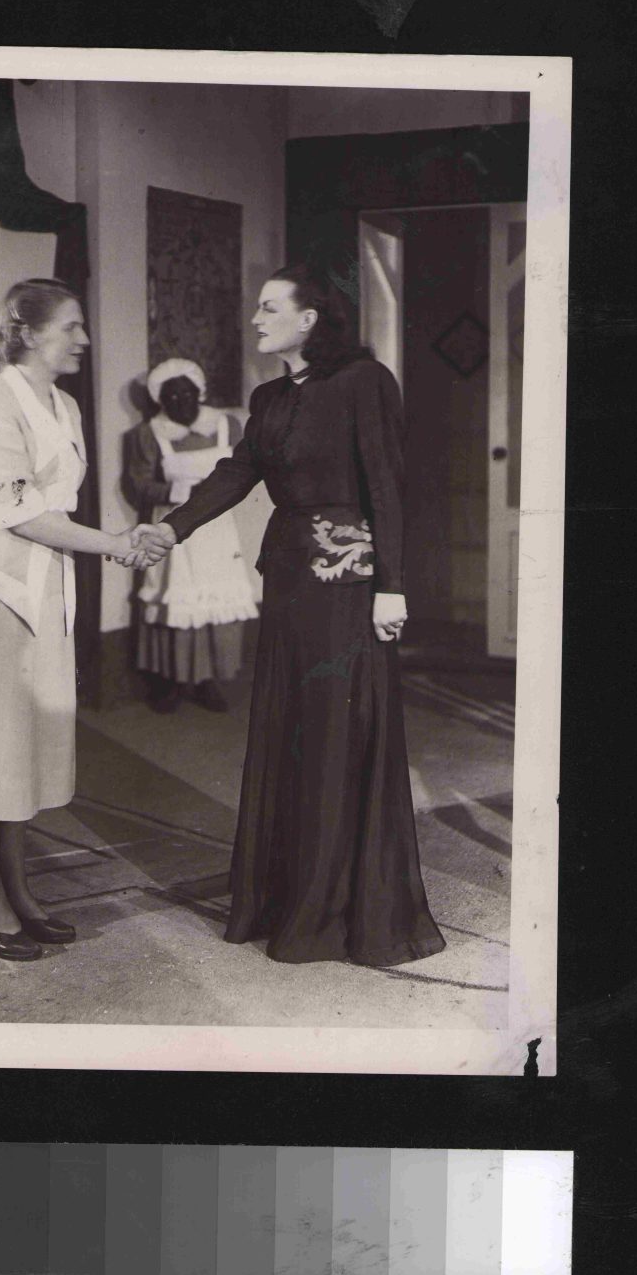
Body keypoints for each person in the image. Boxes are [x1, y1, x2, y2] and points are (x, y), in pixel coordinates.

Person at [134, 265, 446, 967]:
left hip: (346, 580)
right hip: (287, 579)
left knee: (338, 729)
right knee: (292, 728)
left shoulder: (365, 381)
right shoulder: (269, 396)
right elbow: (237, 471)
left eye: (269, 308)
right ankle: (289, 895)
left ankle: (335, 906)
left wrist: (392, 587)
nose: (256, 319)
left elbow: (387, 484)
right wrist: (171, 529)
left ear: (310, 319)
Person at [0, 278, 151, 962]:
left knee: (20, 747)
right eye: (71, 326)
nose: (84, 338)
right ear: (28, 333)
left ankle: (19, 893)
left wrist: (113, 541)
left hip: (43, 592)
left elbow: (57, 505)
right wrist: (115, 544)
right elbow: (19, 513)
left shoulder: (64, 405)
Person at [125, 357, 259, 713]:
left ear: (199, 393)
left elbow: (244, 473)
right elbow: (138, 485)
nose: (180, 401)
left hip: (217, 530)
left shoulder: (227, 425)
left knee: (213, 600)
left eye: (187, 393)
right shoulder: (148, 434)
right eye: (171, 396)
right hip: (172, 528)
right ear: (160, 400)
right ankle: (171, 682)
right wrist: (178, 491)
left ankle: (206, 680)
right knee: (176, 600)